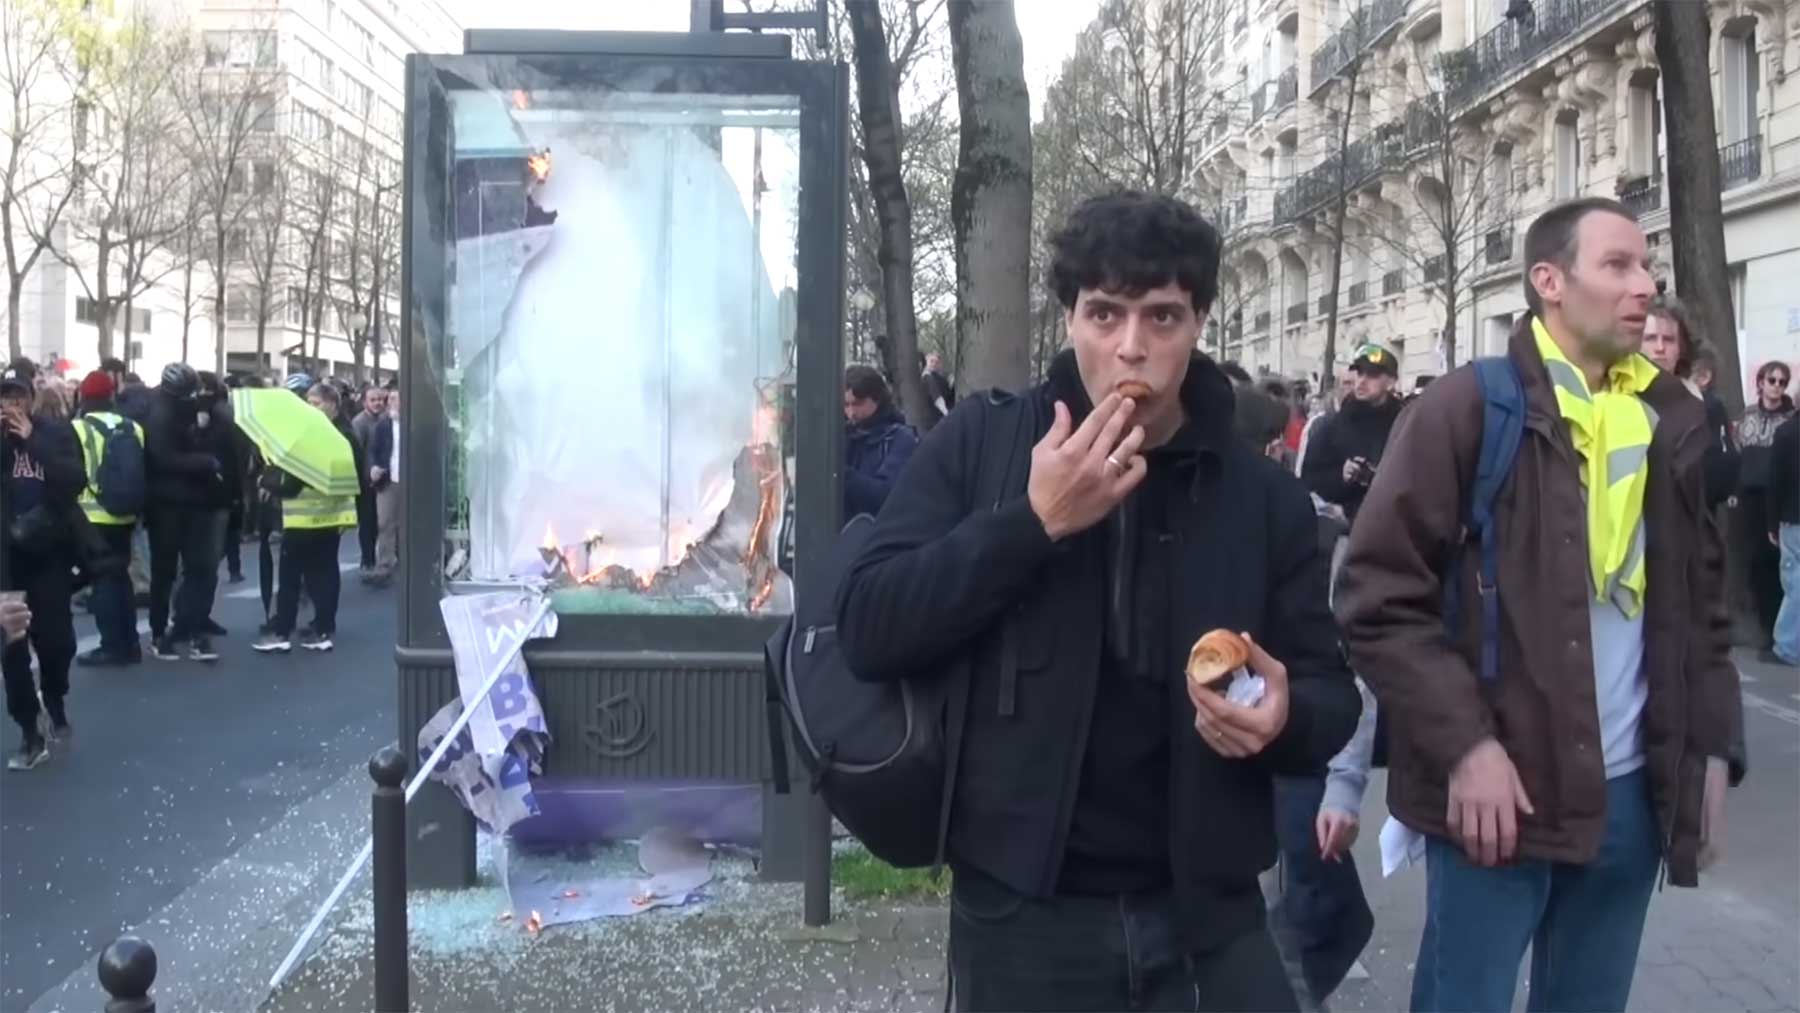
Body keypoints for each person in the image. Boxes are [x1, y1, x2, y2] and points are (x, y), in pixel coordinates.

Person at [836, 190, 1360, 1012]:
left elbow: (1330, 700)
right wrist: (1036, 523)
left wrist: (1285, 715)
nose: (1131, 348)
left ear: (1199, 322)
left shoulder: (1261, 497)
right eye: (1105, 313)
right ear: (1070, 317)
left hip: (1206, 917)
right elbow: (868, 625)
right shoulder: (984, 442)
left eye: (1162, 317)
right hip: (1024, 912)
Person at [1337, 198, 1739, 1013]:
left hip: (1632, 794)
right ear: (1548, 281)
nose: (1645, 285)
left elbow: (1703, 611)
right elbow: (1377, 596)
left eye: (1647, 264)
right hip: (1495, 795)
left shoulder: (1672, 422)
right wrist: (1465, 747)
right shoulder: (1466, 408)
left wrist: (1713, 750)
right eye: (1619, 265)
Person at [2, 363, 83, 770]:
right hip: (7, 565)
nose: (11, 404)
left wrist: (33, 441)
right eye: (5, 397)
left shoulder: (55, 433)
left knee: (57, 644)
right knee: (12, 648)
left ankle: (54, 694)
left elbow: (75, 480)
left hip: (49, 557)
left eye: (18, 396)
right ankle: (29, 730)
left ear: (31, 399)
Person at [254, 382, 357, 653]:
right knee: (322, 574)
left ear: (332, 405)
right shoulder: (342, 437)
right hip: (330, 517)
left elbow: (292, 485)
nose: (311, 409)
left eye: (317, 404)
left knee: (290, 577)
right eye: (309, 403)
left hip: (302, 520)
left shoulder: (310, 439)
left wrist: (267, 482)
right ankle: (322, 628)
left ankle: (282, 632)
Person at [142, 362, 232, 663]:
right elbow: (164, 457)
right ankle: (164, 632)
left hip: (183, 501)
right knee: (173, 570)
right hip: (171, 501)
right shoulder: (161, 416)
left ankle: (182, 629)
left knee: (185, 570)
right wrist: (205, 462)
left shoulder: (175, 408)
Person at [71, 371, 145, 666]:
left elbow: (73, 473)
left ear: (84, 397)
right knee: (121, 578)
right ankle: (130, 643)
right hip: (126, 513)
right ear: (112, 396)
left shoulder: (78, 428)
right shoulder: (133, 427)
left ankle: (111, 645)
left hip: (93, 515)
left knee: (102, 582)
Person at [1641, 297, 1738, 507]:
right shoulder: (1616, 399)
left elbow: (1721, 478)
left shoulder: (1700, 405)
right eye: (1650, 338)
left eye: (1668, 339)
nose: (1659, 348)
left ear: (1681, 347)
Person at [1299, 344, 1403, 525]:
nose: (1362, 381)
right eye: (1360, 373)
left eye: (1372, 375)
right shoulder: (1330, 426)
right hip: (1348, 531)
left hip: (1396, 528)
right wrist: (1342, 476)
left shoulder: (1406, 423)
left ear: (1391, 382)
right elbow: (1310, 482)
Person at [1735, 359, 1795, 650]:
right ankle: (1763, 624)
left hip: (1778, 498)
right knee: (1755, 562)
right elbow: (1738, 451)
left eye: (1782, 382)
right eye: (1772, 380)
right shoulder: (1746, 415)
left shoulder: (1790, 419)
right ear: (1760, 383)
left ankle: (1778, 629)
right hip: (1749, 497)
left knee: (1778, 564)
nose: (1777, 387)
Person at [842, 365, 920, 519]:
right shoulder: (844, 435)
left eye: (858, 403)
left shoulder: (900, 438)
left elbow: (886, 495)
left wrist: (841, 475)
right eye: (846, 405)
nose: (851, 412)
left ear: (877, 398)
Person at [1769, 409, 1799, 666]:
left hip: (1793, 517)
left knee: (1794, 584)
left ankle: (1787, 646)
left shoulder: (1786, 432)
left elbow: (1775, 480)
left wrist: (1771, 522)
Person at [366, 383, 401, 583]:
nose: (393, 403)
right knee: (385, 522)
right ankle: (385, 563)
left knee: (405, 524)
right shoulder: (383, 425)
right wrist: (373, 468)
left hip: (408, 480)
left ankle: (406, 561)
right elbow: (373, 450)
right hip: (387, 479)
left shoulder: (413, 422)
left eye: (397, 399)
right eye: (392, 399)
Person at [351, 386, 387, 576]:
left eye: (380, 399)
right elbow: (357, 453)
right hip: (366, 482)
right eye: (373, 400)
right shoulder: (359, 422)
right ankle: (367, 560)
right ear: (365, 402)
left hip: (384, 480)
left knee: (384, 522)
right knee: (368, 523)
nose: (377, 403)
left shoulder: (386, 420)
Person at [921, 351, 955, 429]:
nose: (934, 364)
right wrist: (947, 414)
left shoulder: (940, 379)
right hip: (931, 418)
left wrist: (953, 385)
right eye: (931, 361)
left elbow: (948, 396)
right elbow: (937, 398)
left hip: (939, 419)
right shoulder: (927, 377)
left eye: (936, 362)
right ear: (926, 361)